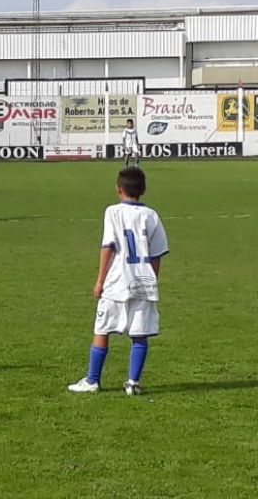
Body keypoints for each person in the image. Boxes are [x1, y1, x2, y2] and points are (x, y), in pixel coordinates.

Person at [68, 167, 168, 396]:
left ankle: (93, 380)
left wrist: (99, 280)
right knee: (139, 333)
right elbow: (156, 254)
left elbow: (108, 247)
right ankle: (133, 382)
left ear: (118, 189)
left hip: (117, 281)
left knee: (102, 329)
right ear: (143, 190)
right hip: (143, 282)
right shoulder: (151, 215)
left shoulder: (112, 212)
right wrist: (152, 280)